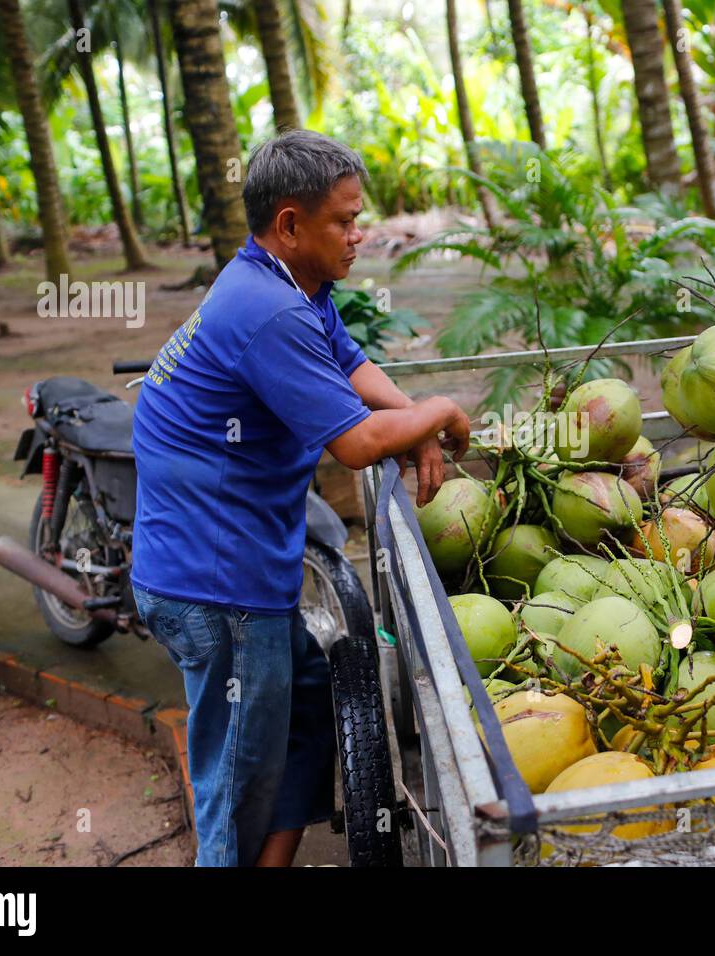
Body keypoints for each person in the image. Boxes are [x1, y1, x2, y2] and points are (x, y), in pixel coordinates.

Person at [130, 131, 470, 866]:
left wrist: (417, 424)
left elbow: (351, 365)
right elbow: (352, 445)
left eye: (359, 216)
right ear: (289, 224)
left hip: (240, 568)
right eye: (344, 222)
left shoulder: (288, 283)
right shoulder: (268, 310)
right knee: (237, 779)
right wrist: (438, 411)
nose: (360, 233)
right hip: (215, 587)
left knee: (312, 705)